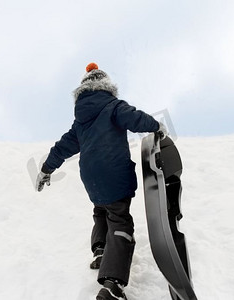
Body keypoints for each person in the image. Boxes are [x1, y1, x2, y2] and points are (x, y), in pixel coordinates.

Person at [36, 63, 167, 300]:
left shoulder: (80, 122)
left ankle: (100, 250)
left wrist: (46, 169)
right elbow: (135, 119)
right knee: (120, 221)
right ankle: (113, 285)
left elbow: (62, 147)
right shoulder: (113, 106)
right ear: (107, 86)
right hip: (114, 172)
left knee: (101, 209)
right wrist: (156, 126)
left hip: (91, 177)